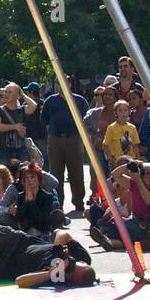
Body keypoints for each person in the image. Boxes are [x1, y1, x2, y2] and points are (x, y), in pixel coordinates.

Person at [0, 224, 97, 288]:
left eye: (70, 272)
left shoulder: (57, 280)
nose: (69, 266)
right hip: (20, 243)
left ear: (72, 281)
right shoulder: (81, 256)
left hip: (9, 268)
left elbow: (20, 281)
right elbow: (61, 233)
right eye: (73, 264)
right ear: (81, 262)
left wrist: (50, 273)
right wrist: (59, 248)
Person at [41, 84, 90, 212]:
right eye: (57, 83)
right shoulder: (50, 101)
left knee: (76, 172)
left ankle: (79, 202)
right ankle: (58, 203)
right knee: (56, 173)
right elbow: (44, 119)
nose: (61, 85)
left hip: (73, 138)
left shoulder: (79, 100)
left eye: (64, 82)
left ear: (69, 83)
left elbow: (87, 118)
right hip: (55, 138)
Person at [3, 161, 60, 237]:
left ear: (39, 179)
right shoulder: (21, 196)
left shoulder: (47, 197)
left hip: (41, 230)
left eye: (32, 177)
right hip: (25, 230)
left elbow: (41, 219)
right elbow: (20, 219)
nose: (29, 180)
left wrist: (31, 202)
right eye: (26, 178)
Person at [0, 81, 36, 167]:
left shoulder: (22, 110)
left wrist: (23, 95)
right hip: (4, 151)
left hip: (21, 151)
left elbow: (33, 106)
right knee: (3, 177)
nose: (6, 94)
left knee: (24, 176)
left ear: (17, 96)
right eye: (6, 91)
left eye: (10, 92)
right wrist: (15, 126)